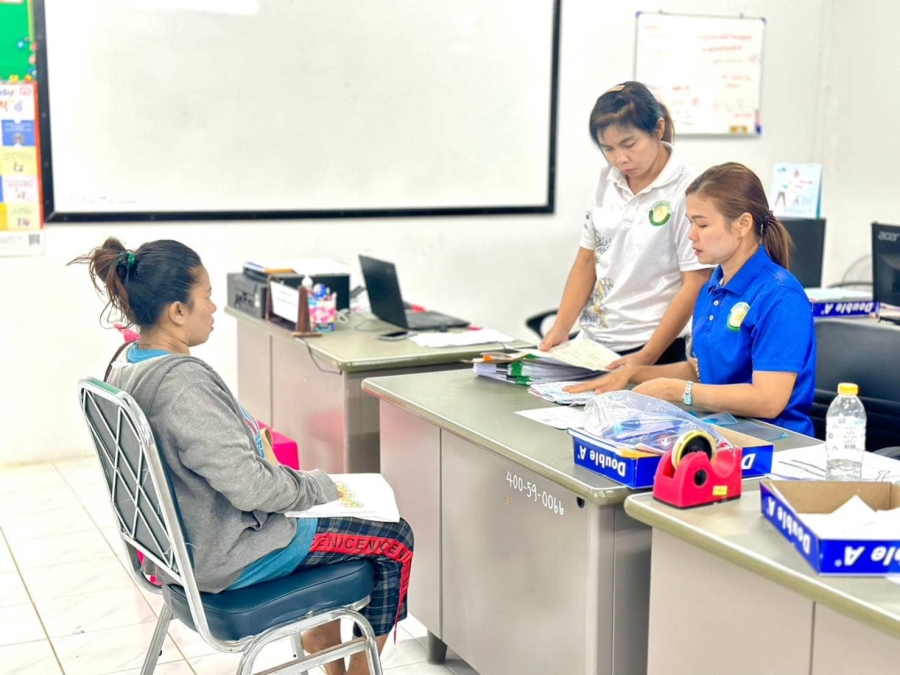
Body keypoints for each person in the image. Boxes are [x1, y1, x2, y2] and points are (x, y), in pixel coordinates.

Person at [71, 238, 412, 675]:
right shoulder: (182, 385)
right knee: (396, 539)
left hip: (187, 550)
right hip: (231, 555)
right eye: (207, 297)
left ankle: (323, 643)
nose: (214, 308)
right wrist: (321, 485)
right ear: (178, 311)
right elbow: (252, 488)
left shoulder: (129, 363)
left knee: (325, 516)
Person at [567, 163, 817, 436]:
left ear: (743, 224)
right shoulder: (713, 286)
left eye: (702, 224)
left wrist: (678, 391)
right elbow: (700, 371)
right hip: (718, 432)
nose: (691, 235)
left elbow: (768, 400)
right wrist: (633, 373)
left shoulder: (781, 297)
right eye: (690, 222)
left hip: (774, 443)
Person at [539, 81, 710, 367]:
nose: (621, 158)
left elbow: (695, 283)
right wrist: (560, 328)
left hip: (656, 346)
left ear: (657, 129)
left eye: (629, 144)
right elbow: (587, 261)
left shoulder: (688, 189)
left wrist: (646, 357)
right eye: (608, 148)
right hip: (595, 341)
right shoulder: (606, 180)